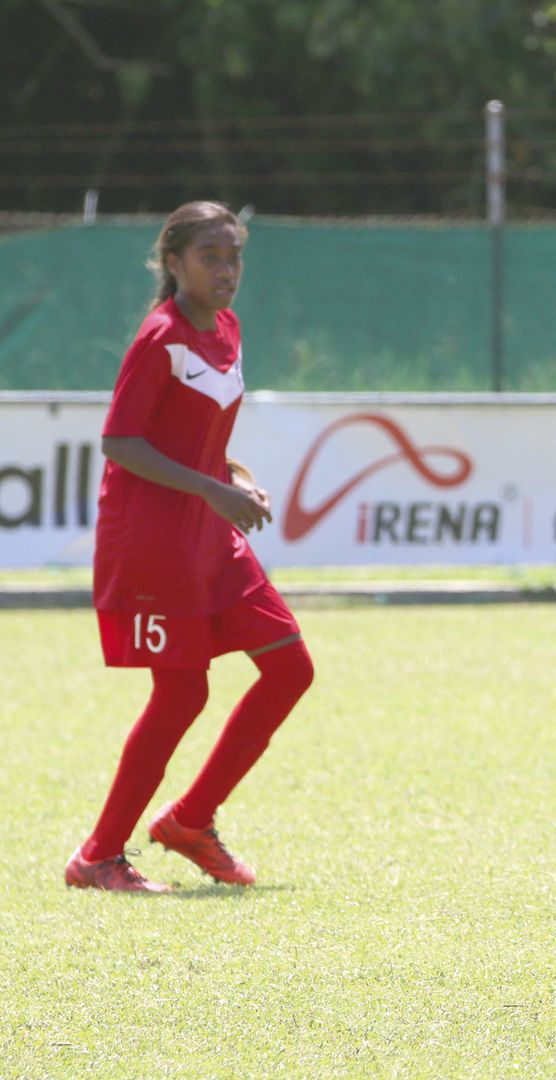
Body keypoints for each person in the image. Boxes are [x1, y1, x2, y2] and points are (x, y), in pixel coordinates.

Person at [65, 201, 314, 893]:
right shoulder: (160, 335)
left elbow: (194, 432)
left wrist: (232, 474)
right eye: (211, 256)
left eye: (234, 256)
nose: (227, 270)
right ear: (172, 263)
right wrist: (211, 489)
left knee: (290, 667)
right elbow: (120, 440)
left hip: (210, 537)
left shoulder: (225, 327)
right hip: (155, 543)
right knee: (181, 695)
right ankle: (98, 855)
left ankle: (189, 821)